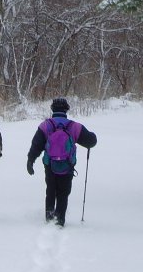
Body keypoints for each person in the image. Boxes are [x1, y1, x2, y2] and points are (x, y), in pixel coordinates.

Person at [26, 97, 97, 227]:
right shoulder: (74, 126)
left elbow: (36, 145)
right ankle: (60, 220)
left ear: (53, 109)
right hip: (67, 165)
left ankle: (49, 216)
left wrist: (31, 160)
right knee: (63, 192)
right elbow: (91, 141)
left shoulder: (46, 125)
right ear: (66, 110)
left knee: (51, 189)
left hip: (49, 164)